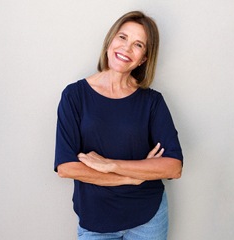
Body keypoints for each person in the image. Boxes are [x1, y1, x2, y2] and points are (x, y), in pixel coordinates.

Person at [54, 10, 183, 240]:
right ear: (110, 41)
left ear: (143, 58)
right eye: (122, 38)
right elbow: (67, 167)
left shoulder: (152, 101)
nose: (126, 48)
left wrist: (110, 164)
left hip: (149, 218)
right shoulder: (74, 96)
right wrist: (132, 177)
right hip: (97, 221)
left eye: (138, 45)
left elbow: (173, 167)